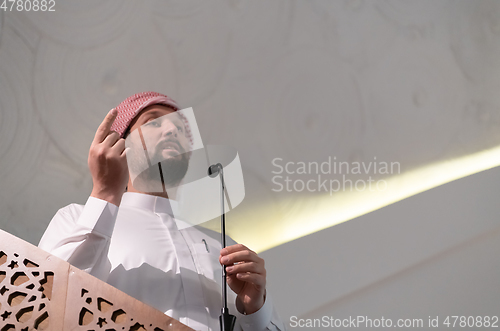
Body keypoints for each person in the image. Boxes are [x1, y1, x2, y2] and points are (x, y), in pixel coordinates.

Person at [39, 92, 285, 331]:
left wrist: (253, 309)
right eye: (154, 122)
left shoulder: (226, 247)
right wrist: (104, 193)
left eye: (180, 129)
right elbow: (48, 300)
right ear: (119, 143)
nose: (172, 131)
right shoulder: (76, 217)